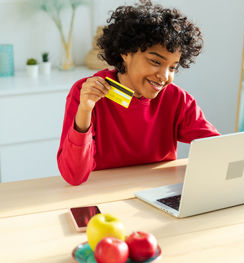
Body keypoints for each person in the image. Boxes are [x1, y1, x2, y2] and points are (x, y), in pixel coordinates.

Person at [57, 1, 220, 186]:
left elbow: (217, 148)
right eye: (155, 62)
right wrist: (85, 110)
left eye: (173, 67)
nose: (164, 76)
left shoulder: (177, 99)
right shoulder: (85, 92)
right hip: (102, 194)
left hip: (158, 195)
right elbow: (74, 176)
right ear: (125, 52)